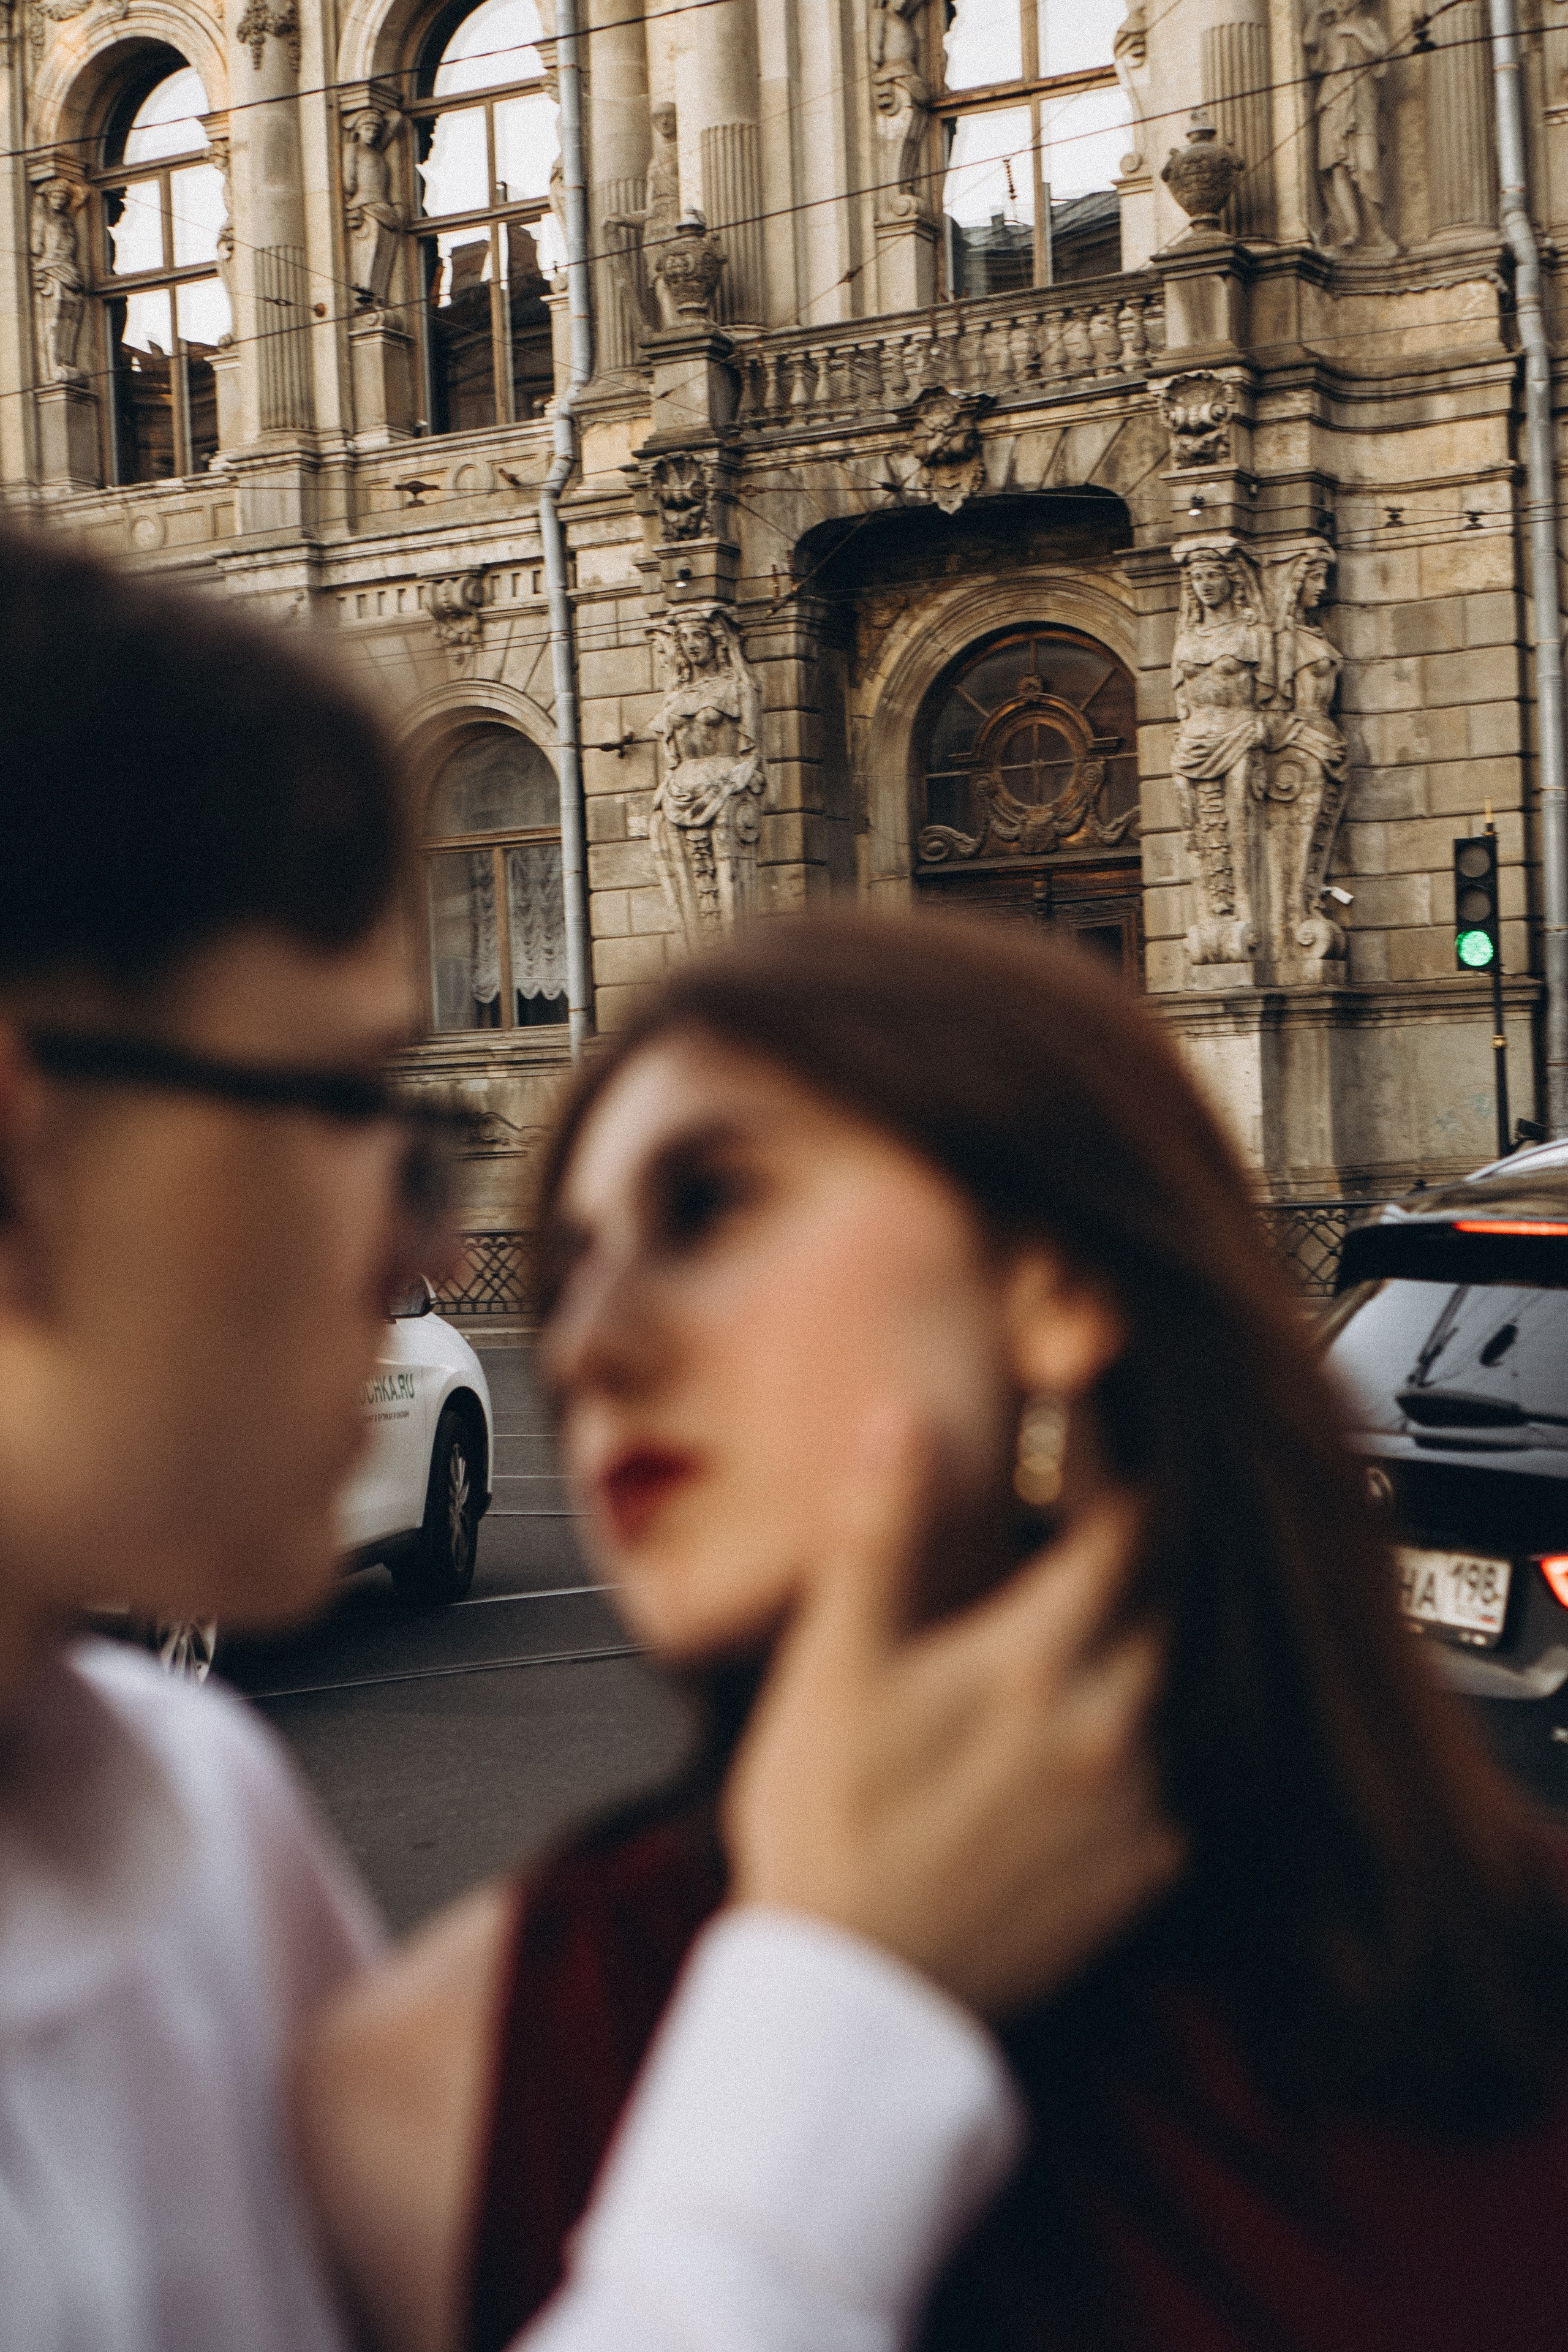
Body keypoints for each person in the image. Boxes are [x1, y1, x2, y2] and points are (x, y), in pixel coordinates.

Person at [0, 525, 1177, 2352]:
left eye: (712, 1209)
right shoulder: (468, 2041)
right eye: (342, 1103)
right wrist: (836, 2031)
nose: (432, 1260)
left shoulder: (200, 1823)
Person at [305, 910, 1568, 2352]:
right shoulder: (434, 2082)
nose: (589, 1347)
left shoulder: (1506, 1990)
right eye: (573, 1259)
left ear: (1053, 1288)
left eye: (709, 1205)